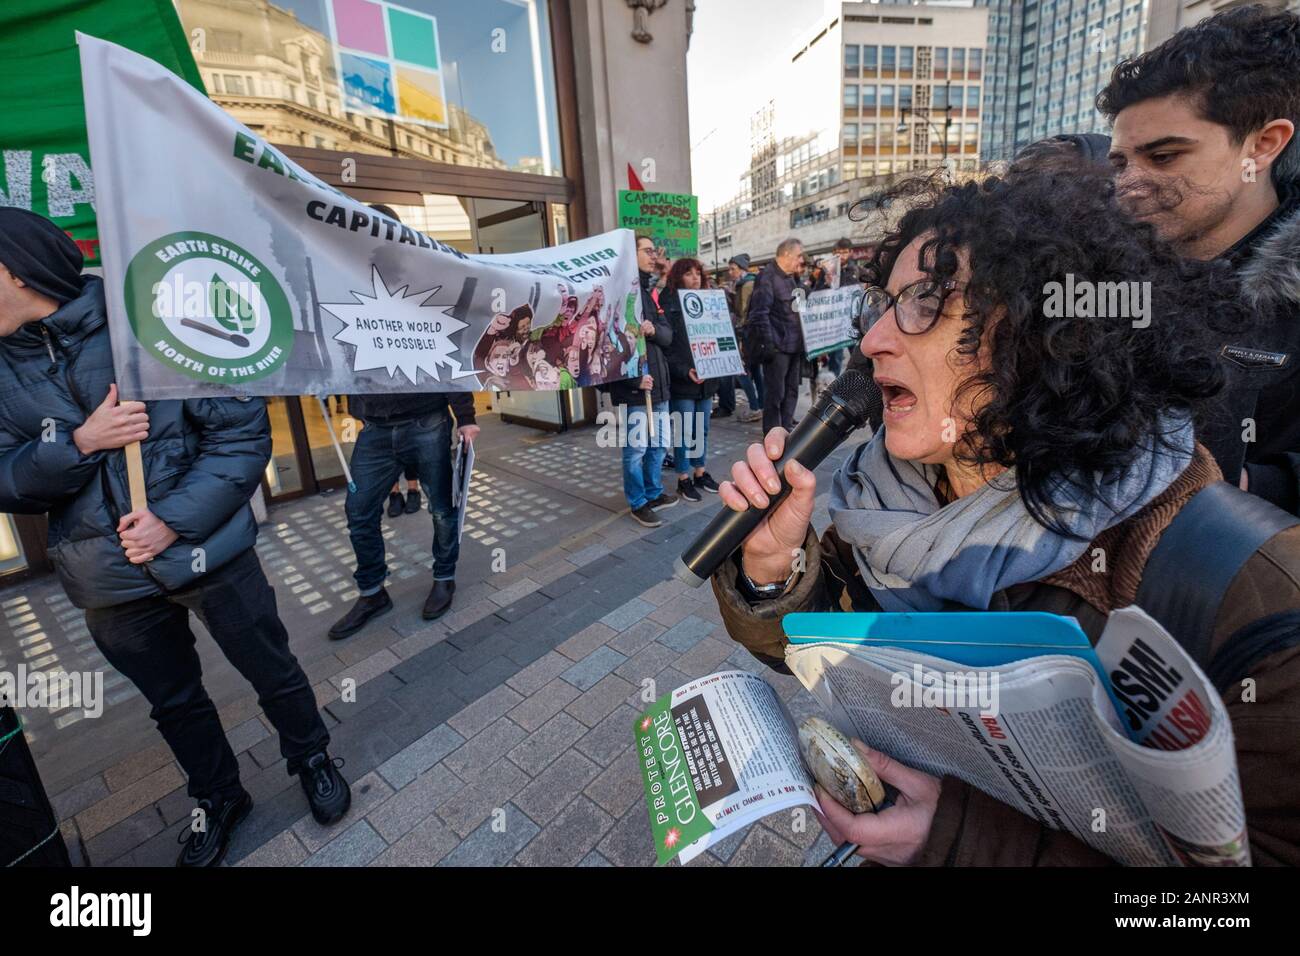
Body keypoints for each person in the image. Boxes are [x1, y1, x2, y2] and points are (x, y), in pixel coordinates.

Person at [709, 168, 1300, 866]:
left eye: (926, 300)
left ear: (1049, 329)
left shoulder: (1249, 587)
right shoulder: (888, 502)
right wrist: (775, 570)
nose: (871, 343)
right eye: (885, 303)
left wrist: (958, 839)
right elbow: (816, 657)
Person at [0, 208, 350, 866]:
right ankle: (219, 796)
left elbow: (240, 437)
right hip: (106, 579)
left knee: (270, 667)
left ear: (15, 273)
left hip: (208, 551)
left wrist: (174, 521)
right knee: (175, 703)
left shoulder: (152, 317)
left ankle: (312, 758)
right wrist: (80, 443)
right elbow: (7, 482)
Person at [1098, 4, 1300, 513]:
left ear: (1263, 145)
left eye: (1164, 156)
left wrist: (1236, 484)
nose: (1130, 184)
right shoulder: (1097, 282)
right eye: (1120, 162)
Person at [329, 207, 481, 638]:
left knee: (441, 507)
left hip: (426, 421)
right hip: (375, 429)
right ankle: (372, 591)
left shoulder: (423, 285)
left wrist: (465, 417)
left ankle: (444, 577)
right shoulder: (346, 281)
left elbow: (450, 352)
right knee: (359, 512)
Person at [606, 235, 676, 527]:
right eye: (647, 251)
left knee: (659, 445)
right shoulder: (620, 296)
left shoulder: (647, 293)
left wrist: (652, 331)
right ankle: (638, 502)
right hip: (638, 391)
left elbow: (667, 335)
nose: (653, 256)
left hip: (659, 387)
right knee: (635, 450)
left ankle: (653, 491)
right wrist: (634, 383)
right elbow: (609, 352)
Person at [662, 257, 721, 503]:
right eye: (689, 273)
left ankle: (700, 471)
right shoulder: (669, 303)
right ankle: (683, 478)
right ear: (678, 277)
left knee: (702, 429)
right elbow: (667, 348)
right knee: (685, 432)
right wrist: (685, 370)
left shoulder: (709, 302)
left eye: (698, 272)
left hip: (707, 379)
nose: (695, 277)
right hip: (683, 382)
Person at [746, 238, 807, 434]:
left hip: (795, 345)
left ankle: (786, 431)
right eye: (799, 255)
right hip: (778, 348)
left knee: (791, 392)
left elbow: (802, 305)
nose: (801, 260)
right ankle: (772, 435)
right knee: (775, 394)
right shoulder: (767, 277)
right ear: (787, 255)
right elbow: (759, 313)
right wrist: (770, 345)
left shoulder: (792, 278)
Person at [716, 254, 762, 422]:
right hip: (752, 336)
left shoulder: (746, 285)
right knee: (756, 372)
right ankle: (761, 406)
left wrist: (741, 339)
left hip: (744, 336)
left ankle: (755, 407)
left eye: (733, 269)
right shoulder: (746, 283)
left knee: (742, 372)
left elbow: (743, 314)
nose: (730, 272)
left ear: (742, 269)